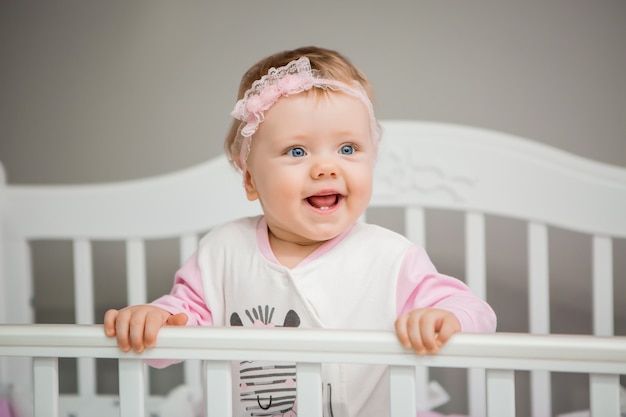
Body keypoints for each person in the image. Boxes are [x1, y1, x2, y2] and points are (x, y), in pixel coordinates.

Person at [104, 46, 496, 417]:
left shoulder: (390, 257)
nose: (325, 168)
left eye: (347, 149)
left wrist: (446, 317)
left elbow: (475, 312)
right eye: (297, 151)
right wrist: (155, 319)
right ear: (250, 180)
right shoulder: (222, 252)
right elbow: (180, 324)